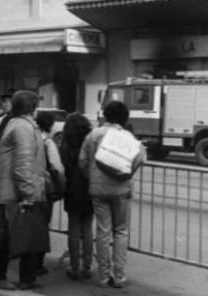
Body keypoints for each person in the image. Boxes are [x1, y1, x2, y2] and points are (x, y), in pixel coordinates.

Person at [79, 100, 145, 289]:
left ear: (105, 115)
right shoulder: (127, 136)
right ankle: (119, 276)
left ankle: (102, 276)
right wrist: (127, 174)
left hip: (98, 190)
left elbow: (82, 161)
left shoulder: (94, 135)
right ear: (124, 118)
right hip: (121, 190)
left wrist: (92, 177)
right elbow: (140, 157)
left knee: (102, 231)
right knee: (121, 231)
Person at [0, 90, 47, 291]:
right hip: (17, 191)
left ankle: (27, 277)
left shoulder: (20, 124)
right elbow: (23, 163)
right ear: (32, 108)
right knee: (11, 236)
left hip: (19, 188)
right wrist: (27, 192)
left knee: (25, 233)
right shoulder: (22, 127)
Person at [59, 113, 94, 280]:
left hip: (71, 189)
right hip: (88, 187)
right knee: (87, 226)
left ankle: (74, 267)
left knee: (73, 227)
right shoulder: (90, 143)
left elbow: (61, 167)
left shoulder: (65, 146)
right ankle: (87, 267)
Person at [35, 110, 65, 276]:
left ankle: (27, 258)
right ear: (51, 125)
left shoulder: (29, 137)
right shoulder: (48, 142)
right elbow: (57, 168)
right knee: (42, 225)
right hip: (44, 189)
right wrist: (61, 188)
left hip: (27, 185)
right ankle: (37, 263)